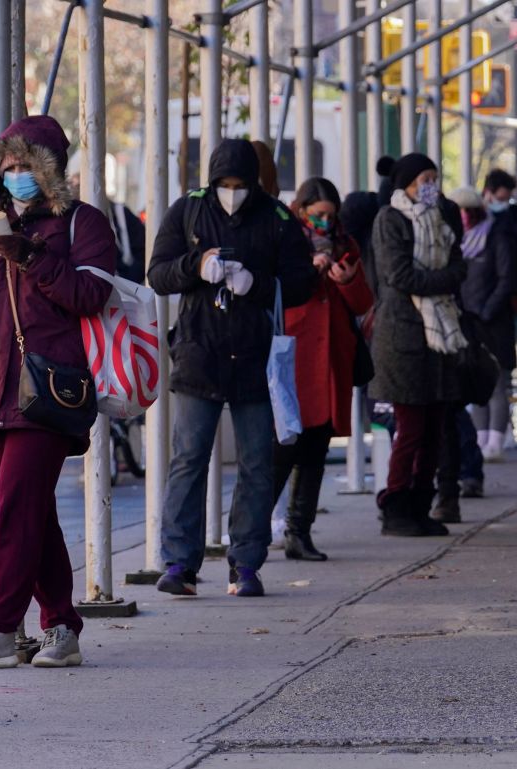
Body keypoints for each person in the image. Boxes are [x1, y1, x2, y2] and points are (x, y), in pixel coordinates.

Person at [0, 115, 117, 670]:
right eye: (9, 163)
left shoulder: (80, 223)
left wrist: (32, 257)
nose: (16, 173)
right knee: (31, 512)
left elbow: (91, 293)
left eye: (28, 165)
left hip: (51, 385)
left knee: (18, 509)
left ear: (49, 169)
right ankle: (61, 626)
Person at [147, 138, 313, 597]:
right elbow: (157, 272)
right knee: (189, 460)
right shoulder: (188, 210)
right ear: (212, 180)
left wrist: (256, 283)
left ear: (254, 183)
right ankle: (179, 562)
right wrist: (194, 266)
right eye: (225, 184)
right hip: (199, 354)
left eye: (241, 184)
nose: (232, 191)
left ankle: (246, 563)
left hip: (256, 361)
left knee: (258, 463)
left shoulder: (277, 219)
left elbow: (302, 282)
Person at [369, 153, 467, 537]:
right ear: (406, 183)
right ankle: (396, 506)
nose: (431, 185)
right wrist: (443, 279)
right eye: (424, 178)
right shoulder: (389, 219)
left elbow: (460, 266)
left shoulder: (443, 218)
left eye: (434, 178)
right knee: (410, 428)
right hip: (404, 338)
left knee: (435, 429)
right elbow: (400, 275)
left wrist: (443, 277)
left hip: (440, 337)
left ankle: (422, 505)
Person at [277, 177, 373, 561]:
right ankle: (250, 535)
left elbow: (364, 300)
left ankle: (299, 532)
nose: (324, 222)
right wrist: (308, 269)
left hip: (331, 357)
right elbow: (281, 291)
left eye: (330, 216)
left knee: (316, 449)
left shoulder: (346, 244)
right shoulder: (288, 243)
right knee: (282, 449)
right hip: (296, 356)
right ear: (301, 211)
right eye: (318, 215)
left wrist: (347, 282)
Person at [451, 186, 517, 463]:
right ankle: (480, 439)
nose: (463, 216)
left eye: (467, 210)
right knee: (476, 384)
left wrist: (488, 310)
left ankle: (496, 440)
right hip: (468, 322)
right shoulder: (455, 241)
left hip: (494, 322)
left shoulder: (496, 236)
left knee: (498, 383)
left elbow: (506, 278)